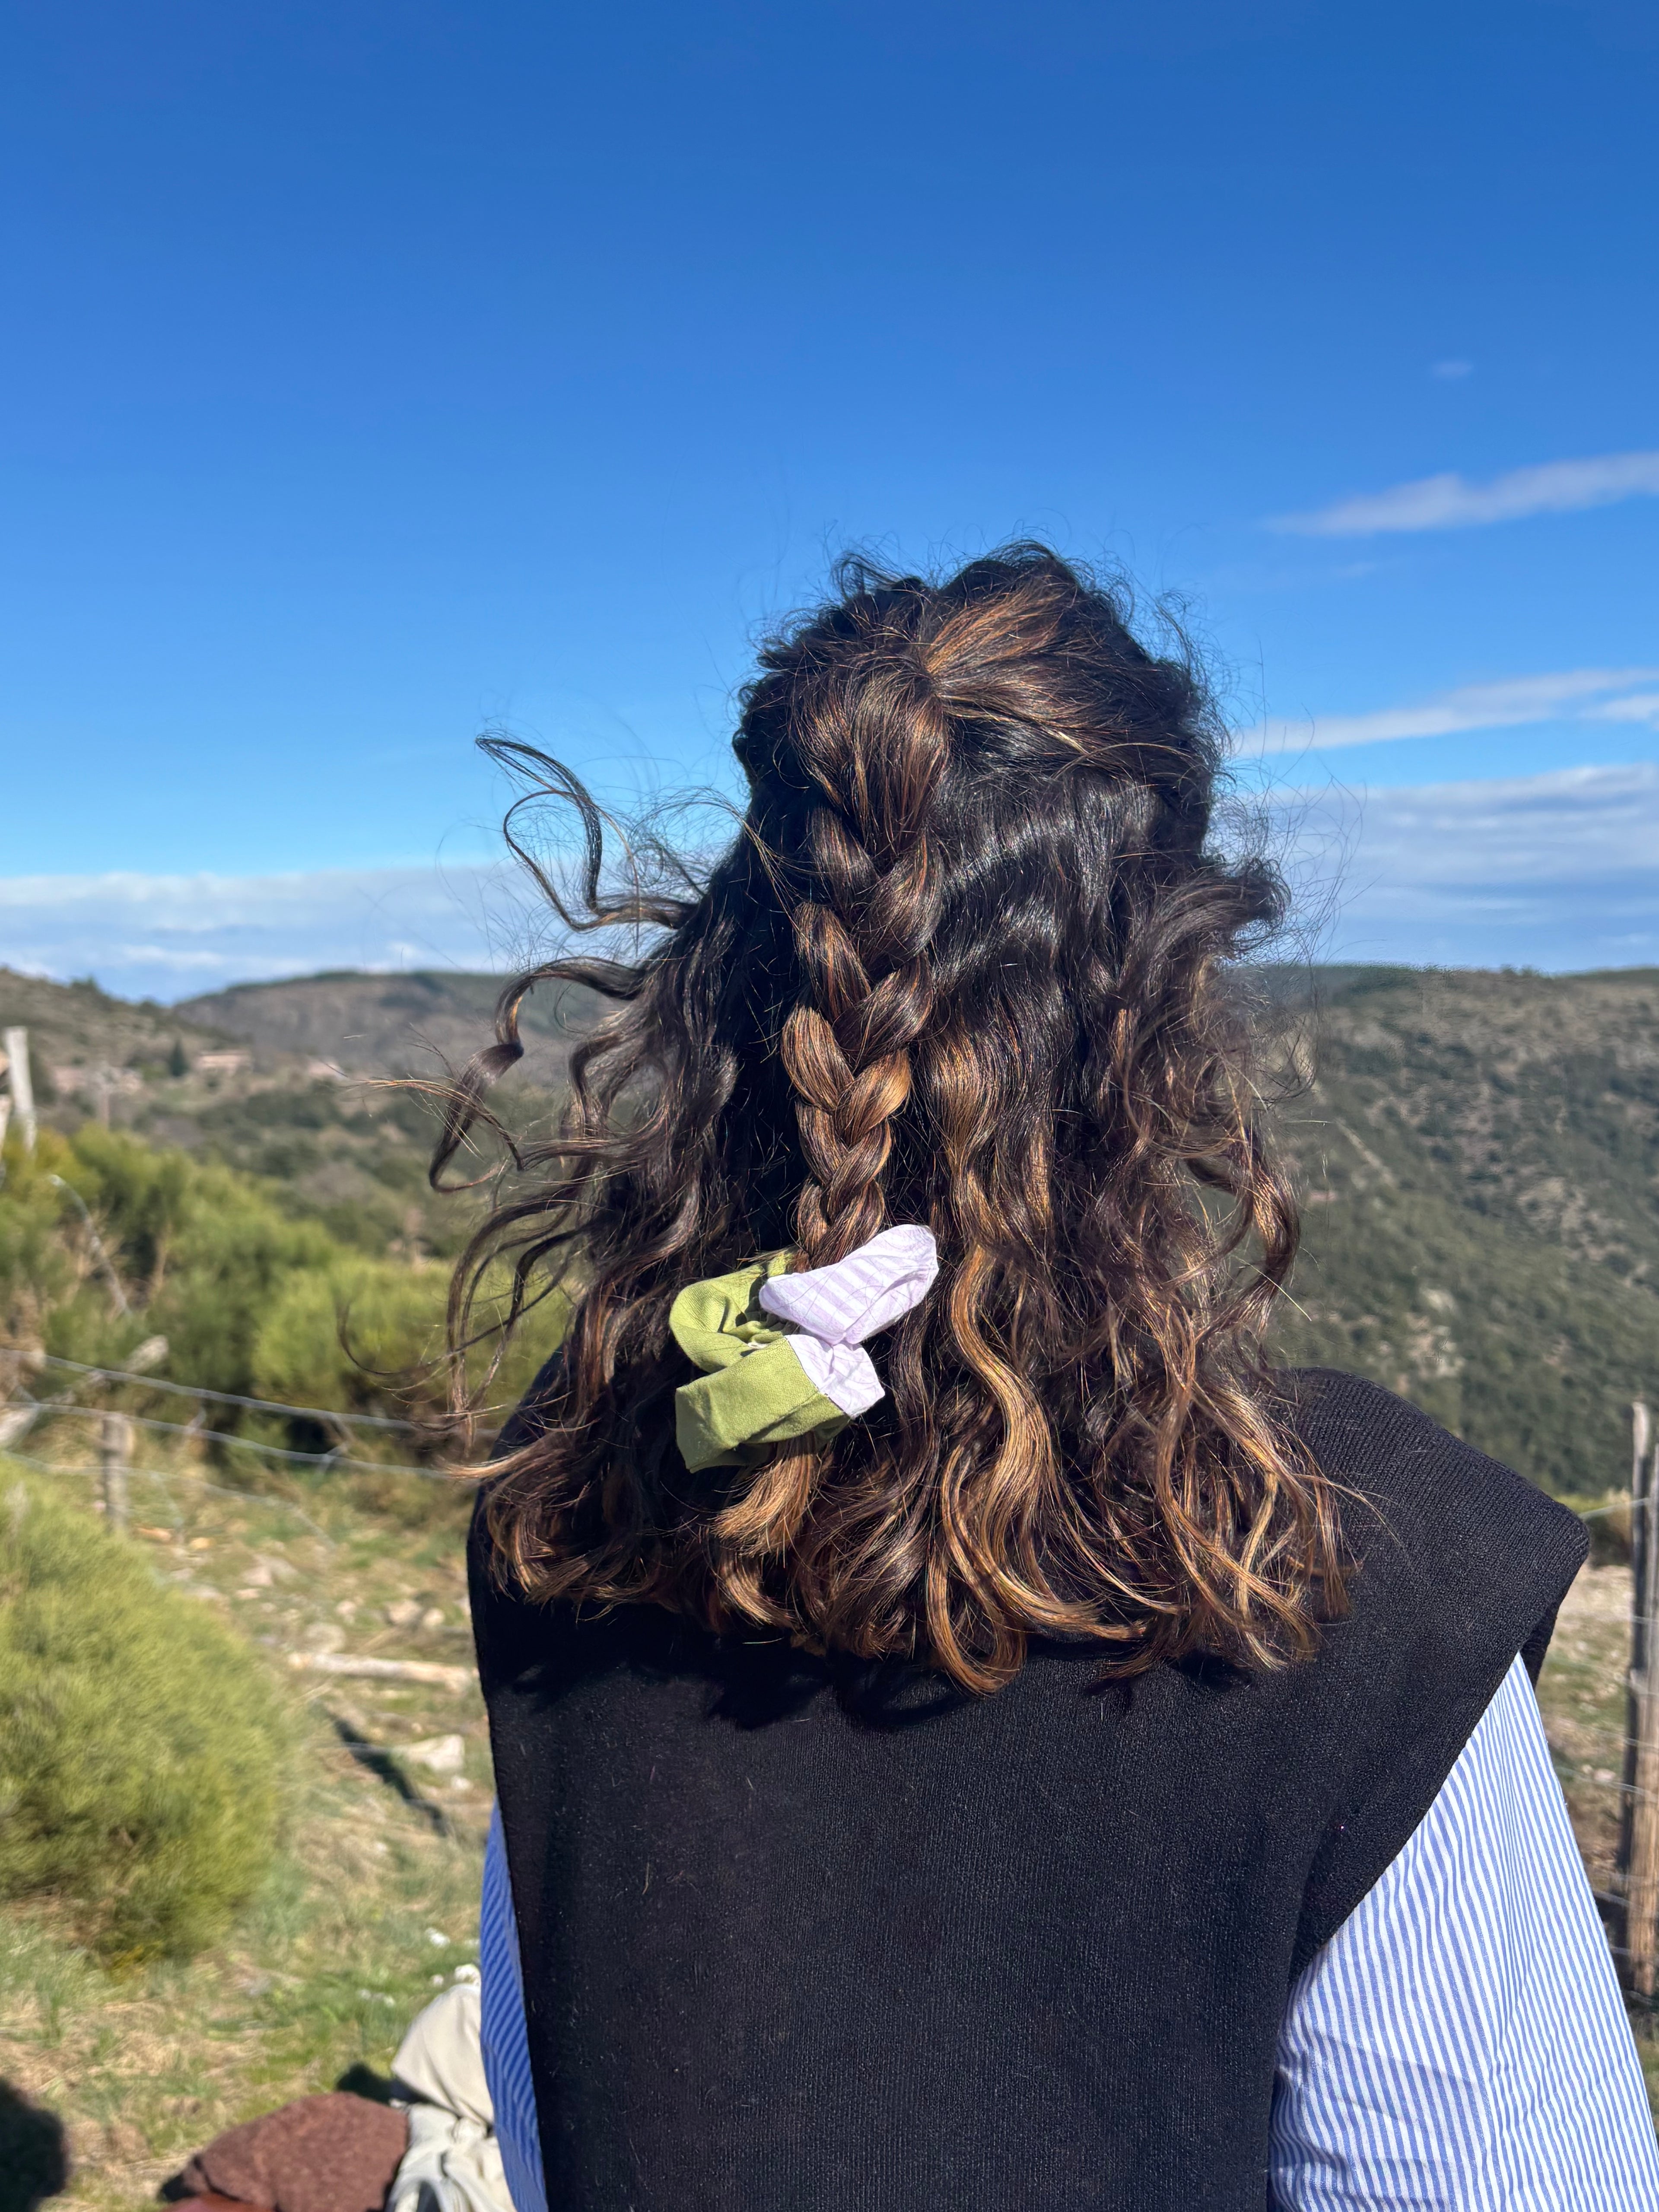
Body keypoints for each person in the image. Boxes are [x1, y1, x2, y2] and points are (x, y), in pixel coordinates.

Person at [449, 547, 1656, 2209]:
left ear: (729, 973)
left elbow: (549, 2130)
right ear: (1163, 1006)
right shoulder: (1336, 1554)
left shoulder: (580, 1497)